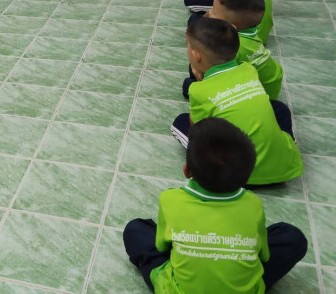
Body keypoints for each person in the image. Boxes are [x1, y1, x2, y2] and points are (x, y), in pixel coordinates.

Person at [124, 117, 308, 293]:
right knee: (292, 237)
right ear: (247, 175)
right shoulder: (253, 203)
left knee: (136, 229)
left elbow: (162, 247)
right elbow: (264, 255)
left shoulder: (170, 199)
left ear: (187, 170)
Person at [172, 18, 303, 186]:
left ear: (196, 56)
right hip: (282, 168)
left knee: (180, 122)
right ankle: (284, 148)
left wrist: (200, 83)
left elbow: (198, 130)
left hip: (235, 174)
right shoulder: (249, 69)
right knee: (278, 108)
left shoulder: (198, 90)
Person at [209, 0, 283, 100]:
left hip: (257, 95)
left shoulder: (232, 47)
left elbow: (218, 77)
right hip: (271, 82)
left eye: (214, 12)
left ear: (231, 26)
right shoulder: (250, 33)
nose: (209, 12)